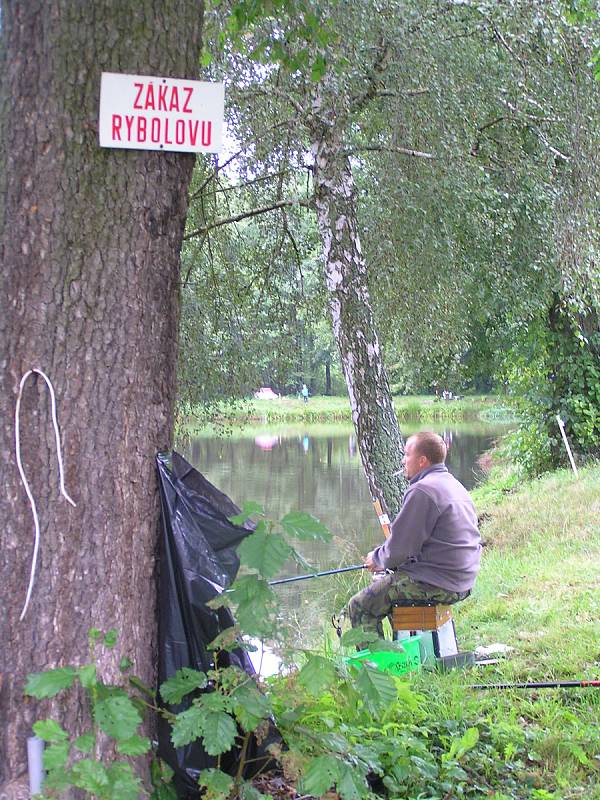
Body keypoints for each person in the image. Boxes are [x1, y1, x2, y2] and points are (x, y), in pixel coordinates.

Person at [348, 431, 481, 643]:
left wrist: (377, 558)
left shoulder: (423, 490)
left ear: (422, 461)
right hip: (463, 579)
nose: (403, 460)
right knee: (390, 586)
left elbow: (400, 548)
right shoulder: (453, 484)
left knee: (360, 606)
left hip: (439, 582)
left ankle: (376, 670)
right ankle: (404, 654)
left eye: (406, 454)